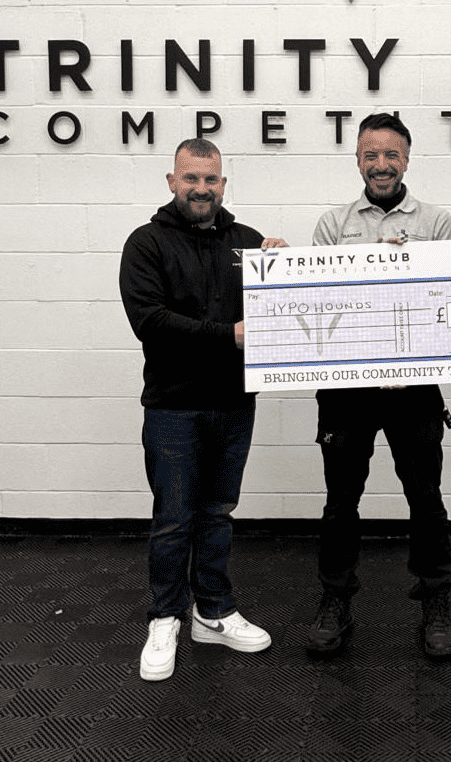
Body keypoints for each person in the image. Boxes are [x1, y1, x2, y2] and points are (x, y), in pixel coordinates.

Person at [119, 138, 286, 681]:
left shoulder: (247, 243)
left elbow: (280, 311)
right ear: (172, 181)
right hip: (174, 408)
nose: (201, 188)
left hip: (234, 404)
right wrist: (227, 336)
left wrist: (287, 269)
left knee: (217, 513)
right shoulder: (145, 243)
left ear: (223, 184)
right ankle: (164, 617)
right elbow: (151, 322)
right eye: (190, 178)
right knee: (174, 520)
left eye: (210, 179)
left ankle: (211, 612)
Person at [306, 113, 451, 659]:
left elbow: (446, 304)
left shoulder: (436, 222)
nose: (381, 165)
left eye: (391, 154)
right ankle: (335, 599)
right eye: (371, 155)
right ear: (357, 160)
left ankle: (435, 601)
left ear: (407, 160)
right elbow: (320, 306)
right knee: (341, 501)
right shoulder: (332, 224)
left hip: (414, 389)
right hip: (347, 390)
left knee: (426, 499)